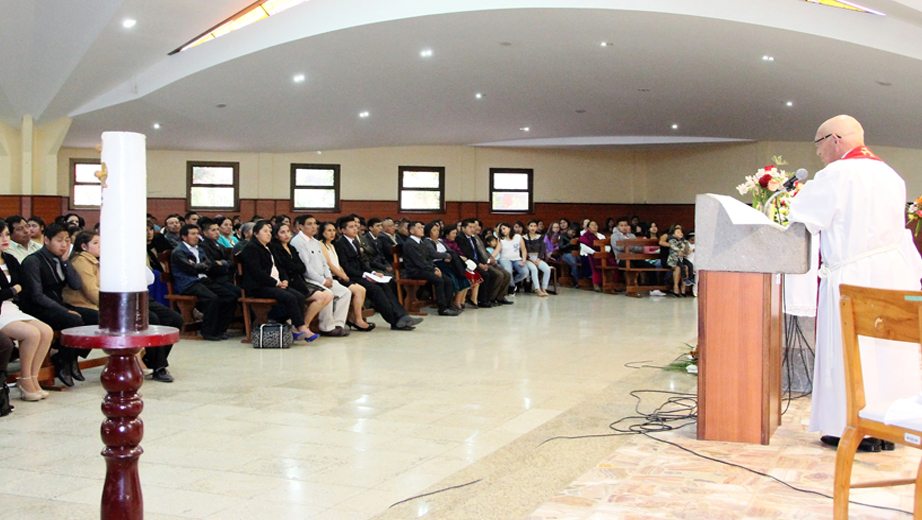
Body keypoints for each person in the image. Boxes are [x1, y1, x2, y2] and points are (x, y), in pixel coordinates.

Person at [788, 115, 922, 451]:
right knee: (885, 351)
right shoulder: (892, 175)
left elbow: (803, 216)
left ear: (835, 139)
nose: (818, 153)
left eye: (819, 144)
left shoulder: (837, 174)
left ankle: (848, 424)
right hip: (891, 276)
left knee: (847, 351)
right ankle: (886, 426)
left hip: (852, 277)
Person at [18, 223, 97, 386]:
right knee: (73, 320)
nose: (64, 245)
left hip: (58, 304)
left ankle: (70, 356)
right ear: (46, 240)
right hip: (37, 308)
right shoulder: (33, 261)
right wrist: (65, 311)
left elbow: (75, 284)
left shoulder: (61, 259)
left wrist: (66, 262)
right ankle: (64, 359)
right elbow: (36, 295)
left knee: (98, 318)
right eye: (59, 240)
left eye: (67, 241)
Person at [332, 218, 421, 330]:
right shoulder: (340, 244)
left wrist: (373, 272)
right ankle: (394, 321)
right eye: (351, 227)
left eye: (355, 226)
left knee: (385, 286)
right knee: (375, 290)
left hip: (361, 274)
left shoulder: (354, 241)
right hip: (352, 277)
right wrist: (365, 275)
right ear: (342, 230)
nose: (355, 229)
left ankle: (402, 316)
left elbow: (361, 262)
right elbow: (346, 267)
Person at [0, 220, 54, 401]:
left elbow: (22, 285)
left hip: (11, 306)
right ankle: (24, 378)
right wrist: (12, 291)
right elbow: (14, 289)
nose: (4, 239)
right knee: (31, 334)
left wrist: (11, 292)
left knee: (45, 331)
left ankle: (32, 378)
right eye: (0, 236)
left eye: (6, 235)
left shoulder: (9, 259)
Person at [239, 221, 319, 342]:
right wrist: (275, 283)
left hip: (275, 283)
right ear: (256, 234)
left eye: (270, 231)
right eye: (265, 231)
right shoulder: (251, 248)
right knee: (289, 297)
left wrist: (285, 280)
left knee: (299, 296)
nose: (268, 234)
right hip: (259, 286)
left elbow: (280, 267)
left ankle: (295, 328)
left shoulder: (270, 247)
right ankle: (301, 327)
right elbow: (256, 272)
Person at [291, 215, 365, 333]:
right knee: (328, 293)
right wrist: (323, 281)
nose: (313, 226)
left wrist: (329, 277)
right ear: (301, 226)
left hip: (324, 278)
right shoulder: (298, 242)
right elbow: (306, 267)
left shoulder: (315, 242)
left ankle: (338, 324)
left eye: (314, 223)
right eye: (309, 224)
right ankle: (327, 327)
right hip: (309, 280)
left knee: (345, 292)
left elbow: (324, 263)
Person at [170, 224, 238, 341]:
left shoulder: (199, 249)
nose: (196, 237)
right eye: (193, 234)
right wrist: (199, 266)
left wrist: (198, 265)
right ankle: (208, 331)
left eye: (197, 234)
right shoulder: (179, 251)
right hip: (189, 283)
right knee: (212, 298)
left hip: (203, 279)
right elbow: (190, 269)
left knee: (231, 296)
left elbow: (209, 265)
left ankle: (220, 329)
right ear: (184, 237)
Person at [269, 223, 337, 335]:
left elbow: (301, 266)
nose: (286, 234)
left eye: (287, 231)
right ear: (276, 235)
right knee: (320, 297)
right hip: (288, 282)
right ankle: (301, 326)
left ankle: (303, 325)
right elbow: (285, 266)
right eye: (282, 232)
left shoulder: (291, 247)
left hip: (298, 279)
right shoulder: (275, 248)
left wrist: (295, 268)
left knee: (328, 295)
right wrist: (294, 268)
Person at [403, 221, 459, 316]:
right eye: (419, 227)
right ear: (412, 231)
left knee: (448, 280)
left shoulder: (421, 242)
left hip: (424, 268)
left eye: (422, 227)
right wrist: (432, 270)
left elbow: (428, 258)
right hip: (415, 271)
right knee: (439, 280)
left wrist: (435, 267)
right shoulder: (410, 244)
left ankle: (450, 305)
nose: (422, 229)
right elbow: (419, 262)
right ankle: (442, 308)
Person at [496, 222, 529, 295]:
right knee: (508, 271)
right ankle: (511, 287)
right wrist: (490, 257)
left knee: (525, 272)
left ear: (509, 228)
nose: (503, 231)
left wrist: (523, 260)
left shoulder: (518, 237)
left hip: (517, 259)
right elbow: (497, 251)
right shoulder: (501, 239)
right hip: (504, 259)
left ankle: (510, 282)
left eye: (504, 229)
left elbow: (523, 249)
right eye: (501, 230)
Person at [577, 220, 609, 292]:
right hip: (589, 254)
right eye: (592, 225)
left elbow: (607, 245)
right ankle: (595, 282)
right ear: (588, 228)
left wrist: (605, 252)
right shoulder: (584, 236)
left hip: (602, 255)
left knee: (610, 261)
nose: (594, 226)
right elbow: (584, 247)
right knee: (591, 262)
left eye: (596, 225)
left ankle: (609, 282)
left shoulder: (601, 236)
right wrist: (595, 253)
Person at [523, 220, 552, 296]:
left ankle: (544, 288)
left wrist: (539, 258)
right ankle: (537, 289)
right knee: (534, 269)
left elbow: (542, 249)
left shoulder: (540, 237)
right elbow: (523, 250)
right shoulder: (523, 238)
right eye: (531, 226)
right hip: (528, 258)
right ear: (527, 227)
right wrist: (530, 259)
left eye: (535, 226)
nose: (533, 228)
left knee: (547, 269)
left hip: (537, 258)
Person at [665, 225, 693, 297]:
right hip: (674, 260)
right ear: (674, 234)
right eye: (678, 232)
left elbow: (687, 251)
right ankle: (676, 287)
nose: (680, 233)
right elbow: (674, 247)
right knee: (679, 268)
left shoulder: (684, 242)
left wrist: (687, 247)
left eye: (681, 232)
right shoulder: (672, 240)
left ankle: (685, 286)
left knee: (688, 266)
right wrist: (679, 250)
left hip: (682, 259)